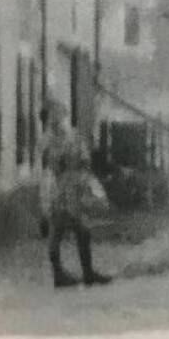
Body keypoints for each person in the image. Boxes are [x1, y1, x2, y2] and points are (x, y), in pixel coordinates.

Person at [41, 106, 111, 288]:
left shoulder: (65, 137)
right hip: (62, 189)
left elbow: (84, 159)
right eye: (56, 117)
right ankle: (61, 275)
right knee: (59, 230)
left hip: (71, 188)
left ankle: (86, 272)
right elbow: (56, 165)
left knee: (80, 230)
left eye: (61, 116)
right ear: (50, 119)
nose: (60, 120)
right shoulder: (53, 140)